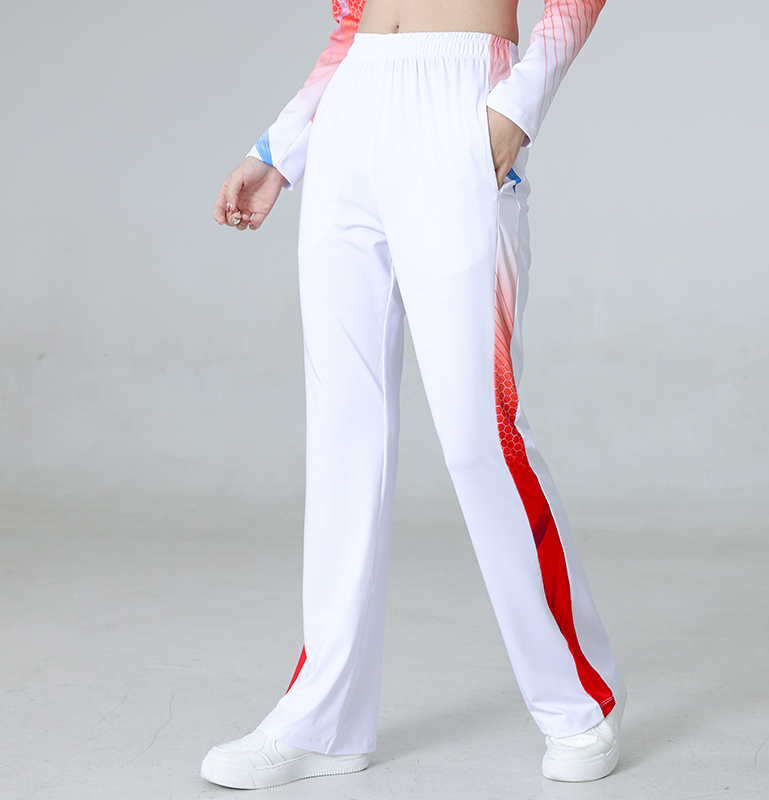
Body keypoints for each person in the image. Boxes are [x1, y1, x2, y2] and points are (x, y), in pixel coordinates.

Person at [203, 0, 624, 789]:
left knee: (479, 436)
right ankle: (324, 721)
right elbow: (352, 22)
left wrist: (517, 106)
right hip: (352, 109)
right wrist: (281, 147)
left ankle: (578, 703)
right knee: (342, 434)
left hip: (462, 97)